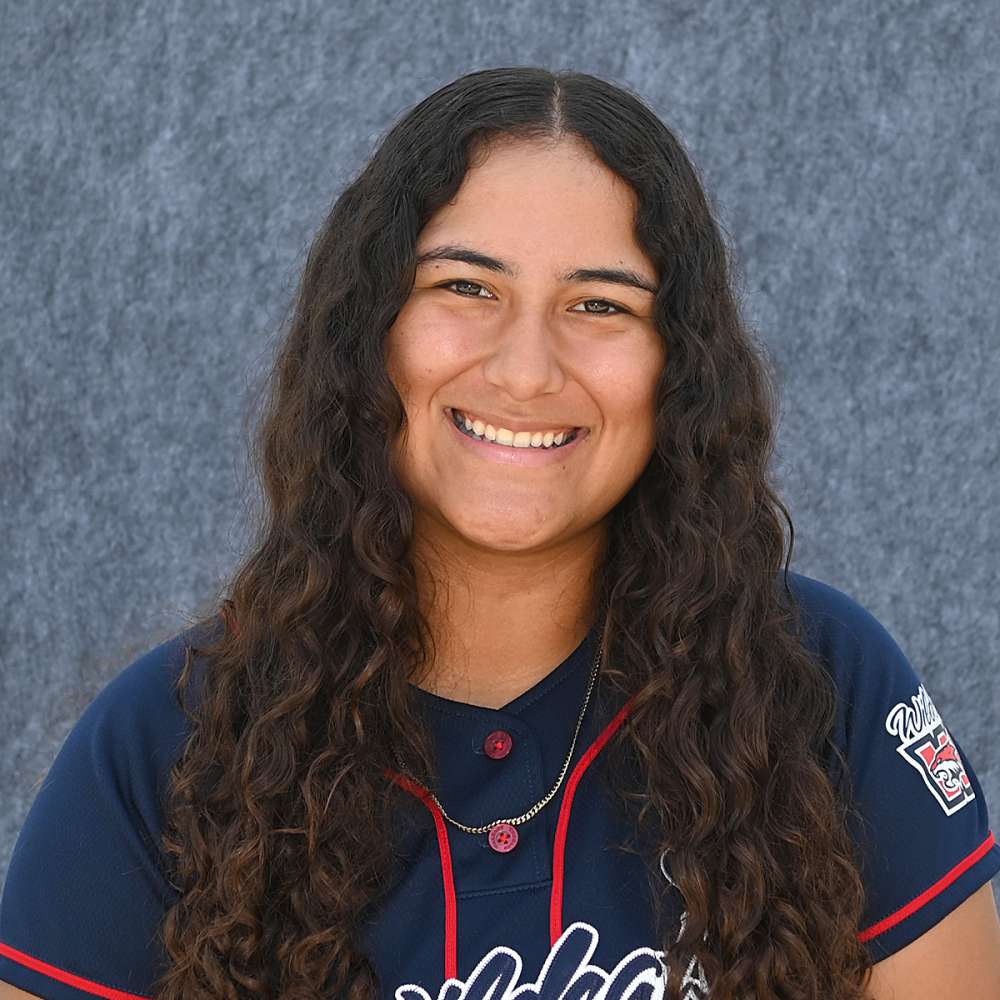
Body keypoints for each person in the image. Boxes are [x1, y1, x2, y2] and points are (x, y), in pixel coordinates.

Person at [1, 66, 998, 1000]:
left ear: (679, 369)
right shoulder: (164, 741)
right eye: (466, 287)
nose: (525, 370)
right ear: (370, 334)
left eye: (599, 304)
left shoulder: (822, 681)